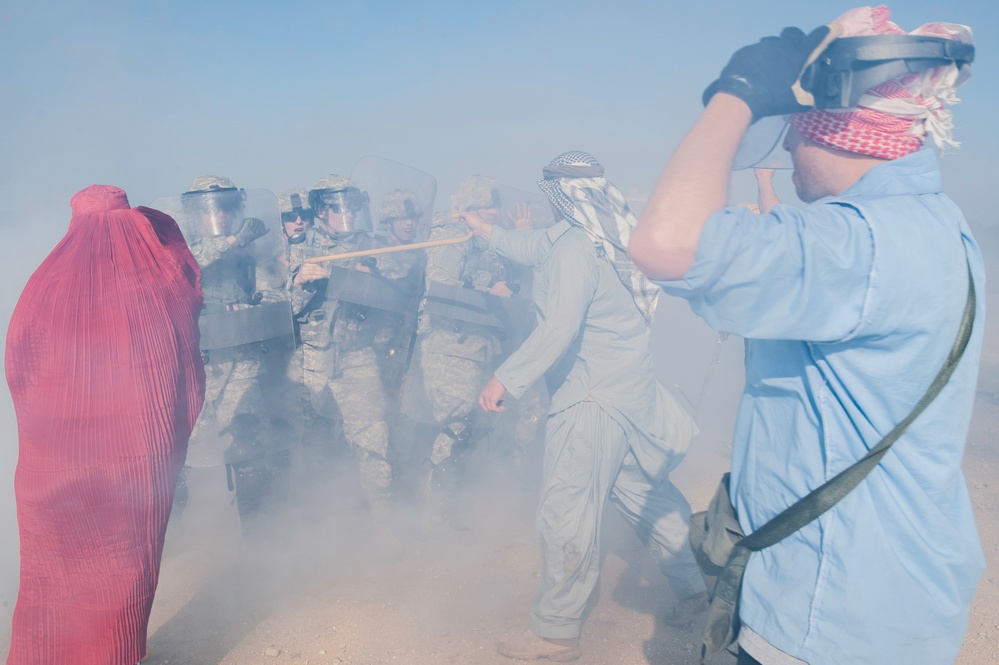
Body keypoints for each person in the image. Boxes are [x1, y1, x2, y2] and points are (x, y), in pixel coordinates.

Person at [629, 7, 981, 665]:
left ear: (844, 132)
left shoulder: (860, 244)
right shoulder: (930, 225)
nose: (787, 148)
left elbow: (664, 243)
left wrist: (737, 92)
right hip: (888, 601)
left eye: (797, 130)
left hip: (825, 618)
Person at [463, 152, 703, 662]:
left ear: (558, 195)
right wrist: (485, 231)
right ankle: (698, 589)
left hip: (591, 399)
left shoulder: (574, 248)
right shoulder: (611, 236)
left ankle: (555, 633)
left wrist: (506, 377)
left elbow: (558, 327)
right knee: (646, 497)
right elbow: (537, 247)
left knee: (565, 512)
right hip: (633, 394)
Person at [5, 185, 205, 665]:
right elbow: (184, 363)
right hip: (134, 459)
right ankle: (115, 654)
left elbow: (17, 367)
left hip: (51, 462)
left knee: (52, 567)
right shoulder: (157, 283)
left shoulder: (43, 282)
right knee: (124, 560)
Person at [398, 176, 525, 526]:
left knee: (472, 426)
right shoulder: (450, 235)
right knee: (455, 423)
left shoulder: (489, 240)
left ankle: (446, 501)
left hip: (480, 348)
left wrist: (519, 242)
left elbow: (513, 282)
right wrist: (490, 287)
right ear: (465, 211)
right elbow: (443, 286)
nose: (494, 213)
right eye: (486, 208)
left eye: (495, 207)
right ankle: (434, 507)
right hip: (448, 347)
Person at [179, 175, 293, 537]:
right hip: (194, 365)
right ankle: (171, 539)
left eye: (228, 208)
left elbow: (276, 291)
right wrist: (233, 241)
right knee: (178, 454)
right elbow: (189, 267)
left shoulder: (250, 250)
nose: (220, 215)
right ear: (194, 214)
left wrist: (251, 303)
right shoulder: (181, 247)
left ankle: (257, 536)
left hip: (241, 358)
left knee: (247, 441)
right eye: (211, 210)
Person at [287, 174, 395, 517]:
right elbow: (284, 309)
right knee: (317, 443)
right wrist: (300, 283)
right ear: (321, 210)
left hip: (358, 356)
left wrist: (364, 277)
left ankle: (382, 519)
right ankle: (326, 523)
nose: (347, 213)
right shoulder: (299, 249)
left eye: (352, 206)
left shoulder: (377, 246)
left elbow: (396, 296)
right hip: (313, 359)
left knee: (373, 440)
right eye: (339, 207)